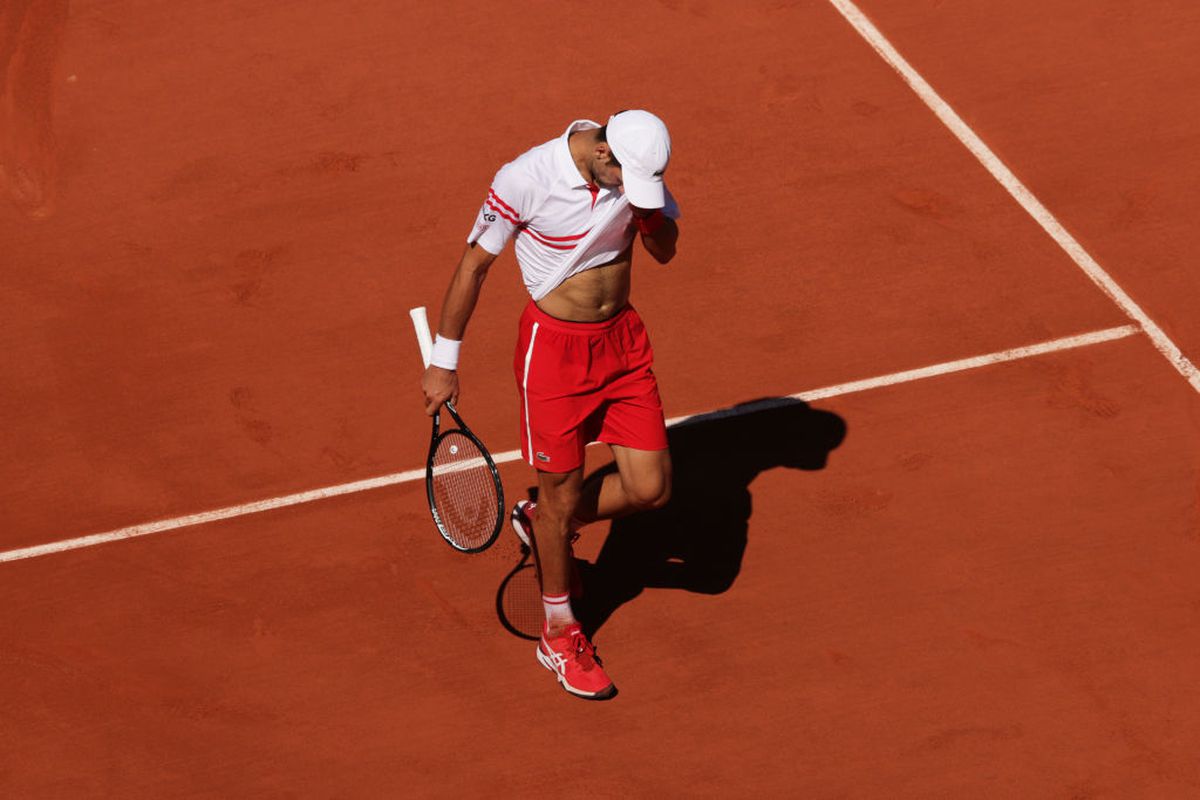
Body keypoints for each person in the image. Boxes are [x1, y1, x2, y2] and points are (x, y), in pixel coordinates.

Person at [420, 110, 680, 700]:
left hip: (624, 346)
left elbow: (665, 249)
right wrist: (444, 359)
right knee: (561, 494)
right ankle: (559, 635)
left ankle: (546, 524)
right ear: (602, 154)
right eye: (627, 182)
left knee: (650, 489)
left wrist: (648, 217)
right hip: (555, 357)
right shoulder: (524, 178)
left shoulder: (636, 167)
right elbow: (474, 265)